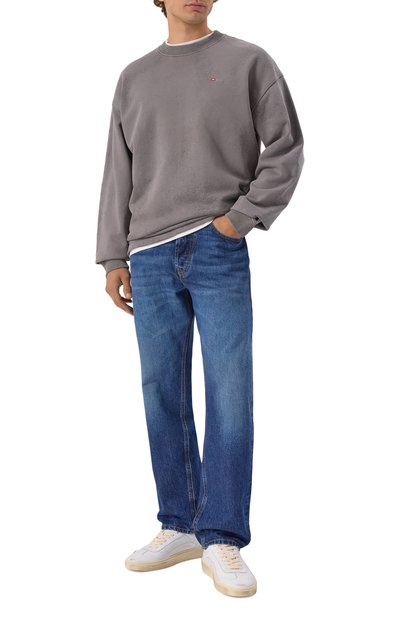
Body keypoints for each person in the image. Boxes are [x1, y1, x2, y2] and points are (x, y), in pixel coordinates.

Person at [95, 0, 304, 598]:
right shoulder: (134, 77)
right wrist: (112, 255)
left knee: (229, 389)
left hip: (217, 246)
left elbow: (286, 147)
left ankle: (222, 535)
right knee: (160, 389)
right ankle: (180, 524)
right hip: (148, 253)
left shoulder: (248, 62)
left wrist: (240, 219)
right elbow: (117, 169)